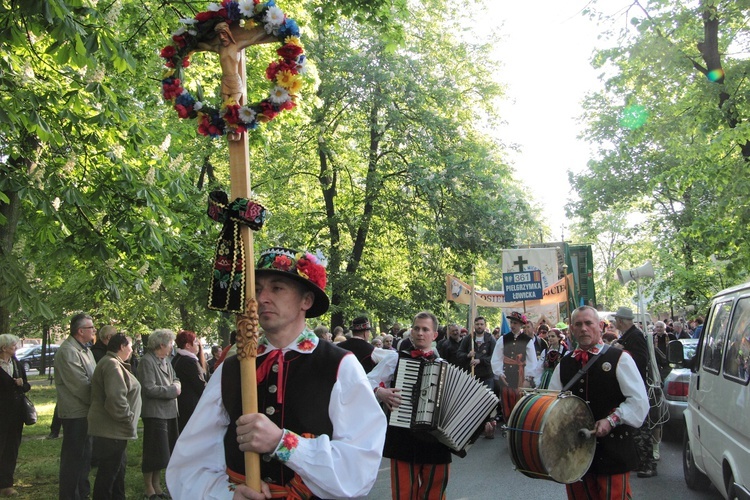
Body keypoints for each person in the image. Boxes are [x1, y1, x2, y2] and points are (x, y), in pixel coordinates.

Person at [166, 246, 386, 499]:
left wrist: (283, 444)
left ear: (306, 300)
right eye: (257, 289)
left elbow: (359, 466)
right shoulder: (232, 366)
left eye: (277, 288)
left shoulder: (340, 365)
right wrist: (228, 495)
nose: (262, 298)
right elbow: (190, 460)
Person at [549, 306, 648, 500]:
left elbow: (639, 402)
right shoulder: (565, 363)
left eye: (588, 323)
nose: (584, 328)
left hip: (613, 452)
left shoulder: (620, 359)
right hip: (575, 453)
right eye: (578, 324)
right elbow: (552, 404)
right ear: (571, 329)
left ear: (600, 327)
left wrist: (611, 420)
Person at [368, 311, 453, 499]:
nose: (420, 333)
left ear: (434, 335)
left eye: (425, 329)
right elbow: (365, 382)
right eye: (416, 328)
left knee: (435, 493)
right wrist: (380, 392)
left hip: (436, 440)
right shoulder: (395, 358)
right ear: (411, 332)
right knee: (403, 493)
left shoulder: (444, 365)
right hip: (403, 437)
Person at [88, 334, 142, 500]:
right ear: (122, 347)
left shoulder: (114, 363)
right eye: (130, 346)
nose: (132, 350)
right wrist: (128, 417)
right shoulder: (112, 365)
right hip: (112, 429)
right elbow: (116, 399)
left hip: (115, 429)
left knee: (117, 472)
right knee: (108, 474)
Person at [55, 312, 97, 500]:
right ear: (81, 331)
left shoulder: (85, 350)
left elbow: (94, 380)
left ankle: (82, 493)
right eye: (91, 328)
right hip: (75, 414)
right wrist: (101, 403)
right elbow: (81, 387)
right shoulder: (68, 352)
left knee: (85, 458)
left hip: (87, 412)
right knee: (74, 459)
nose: (94, 330)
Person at [137, 329, 181, 499]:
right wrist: (173, 390)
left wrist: (177, 385)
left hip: (169, 412)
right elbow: (149, 389)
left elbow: (176, 378)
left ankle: (157, 485)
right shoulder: (147, 362)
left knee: (163, 453)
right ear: (161, 344)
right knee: (153, 452)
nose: (172, 347)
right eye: (170, 343)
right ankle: (149, 488)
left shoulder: (166, 360)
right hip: (155, 413)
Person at [612, 307, 655, 479]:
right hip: (629, 386)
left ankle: (648, 464)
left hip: (637, 387)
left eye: (617, 320)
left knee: (641, 426)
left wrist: (623, 351)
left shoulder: (635, 336)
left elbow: (641, 361)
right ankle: (639, 461)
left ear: (622, 321)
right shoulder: (628, 335)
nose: (615, 323)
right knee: (634, 426)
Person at [491, 311, 537, 422]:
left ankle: (517, 426)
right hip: (506, 376)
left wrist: (528, 378)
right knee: (507, 403)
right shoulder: (503, 339)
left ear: (521, 324)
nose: (512, 325)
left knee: (520, 404)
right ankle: (508, 424)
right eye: (511, 322)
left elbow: (532, 361)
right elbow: (496, 358)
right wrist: (499, 373)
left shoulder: (527, 340)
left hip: (520, 376)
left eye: (515, 323)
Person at [0, 334, 31, 498]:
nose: (16, 348)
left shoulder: (17, 364)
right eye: (13, 345)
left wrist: (22, 384)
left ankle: (6, 484)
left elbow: (27, 386)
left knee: (11, 449)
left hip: (16, 414)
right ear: (4, 348)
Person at [171, 330, 207, 432]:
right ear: (187, 345)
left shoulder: (177, 359)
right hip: (191, 406)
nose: (198, 345)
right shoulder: (190, 362)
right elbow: (200, 385)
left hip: (181, 405)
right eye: (195, 342)